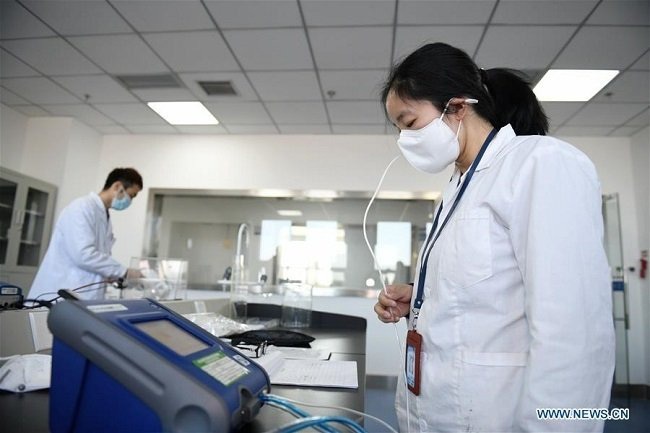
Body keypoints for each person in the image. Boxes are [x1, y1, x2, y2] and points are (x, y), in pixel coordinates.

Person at [374, 42, 614, 433]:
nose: (404, 140)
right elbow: (489, 290)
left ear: (457, 107)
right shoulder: (458, 187)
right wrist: (422, 294)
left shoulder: (539, 163)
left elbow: (576, 328)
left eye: (410, 123)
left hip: (499, 414)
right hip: (440, 409)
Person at [29, 168, 144, 301]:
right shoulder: (82, 208)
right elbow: (83, 254)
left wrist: (113, 276)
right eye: (131, 195)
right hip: (58, 294)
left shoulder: (103, 215)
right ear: (117, 186)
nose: (130, 201)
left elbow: (98, 259)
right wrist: (124, 272)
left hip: (82, 296)